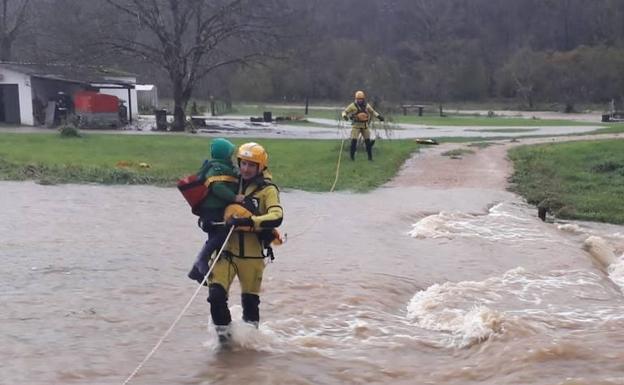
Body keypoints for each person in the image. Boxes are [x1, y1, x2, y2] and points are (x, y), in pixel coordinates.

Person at [207, 142, 283, 343]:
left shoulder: (268, 190)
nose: (246, 169)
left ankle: (250, 343)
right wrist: (205, 221)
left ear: (260, 167)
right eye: (243, 164)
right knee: (215, 296)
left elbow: (277, 216)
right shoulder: (229, 183)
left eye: (251, 165)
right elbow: (209, 206)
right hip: (225, 252)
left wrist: (249, 221)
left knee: (250, 305)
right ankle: (225, 343)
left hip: (252, 256)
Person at [187, 138, 244, 284]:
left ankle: (196, 271)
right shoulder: (216, 169)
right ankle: (201, 261)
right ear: (224, 155)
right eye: (230, 155)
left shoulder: (224, 167)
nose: (231, 158)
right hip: (212, 210)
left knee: (215, 238)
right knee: (220, 235)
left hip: (218, 210)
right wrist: (234, 197)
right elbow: (217, 187)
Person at [341, 90, 384, 161]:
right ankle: (352, 158)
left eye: (361, 99)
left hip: (364, 125)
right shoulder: (352, 105)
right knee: (354, 142)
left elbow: (372, 111)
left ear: (363, 99)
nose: (359, 100)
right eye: (358, 99)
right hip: (356, 126)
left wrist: (379, 116)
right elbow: (344, 112)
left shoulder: (367, 105)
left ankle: (370, 158)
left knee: (368, 142)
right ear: (356, 99)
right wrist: (345, 116)